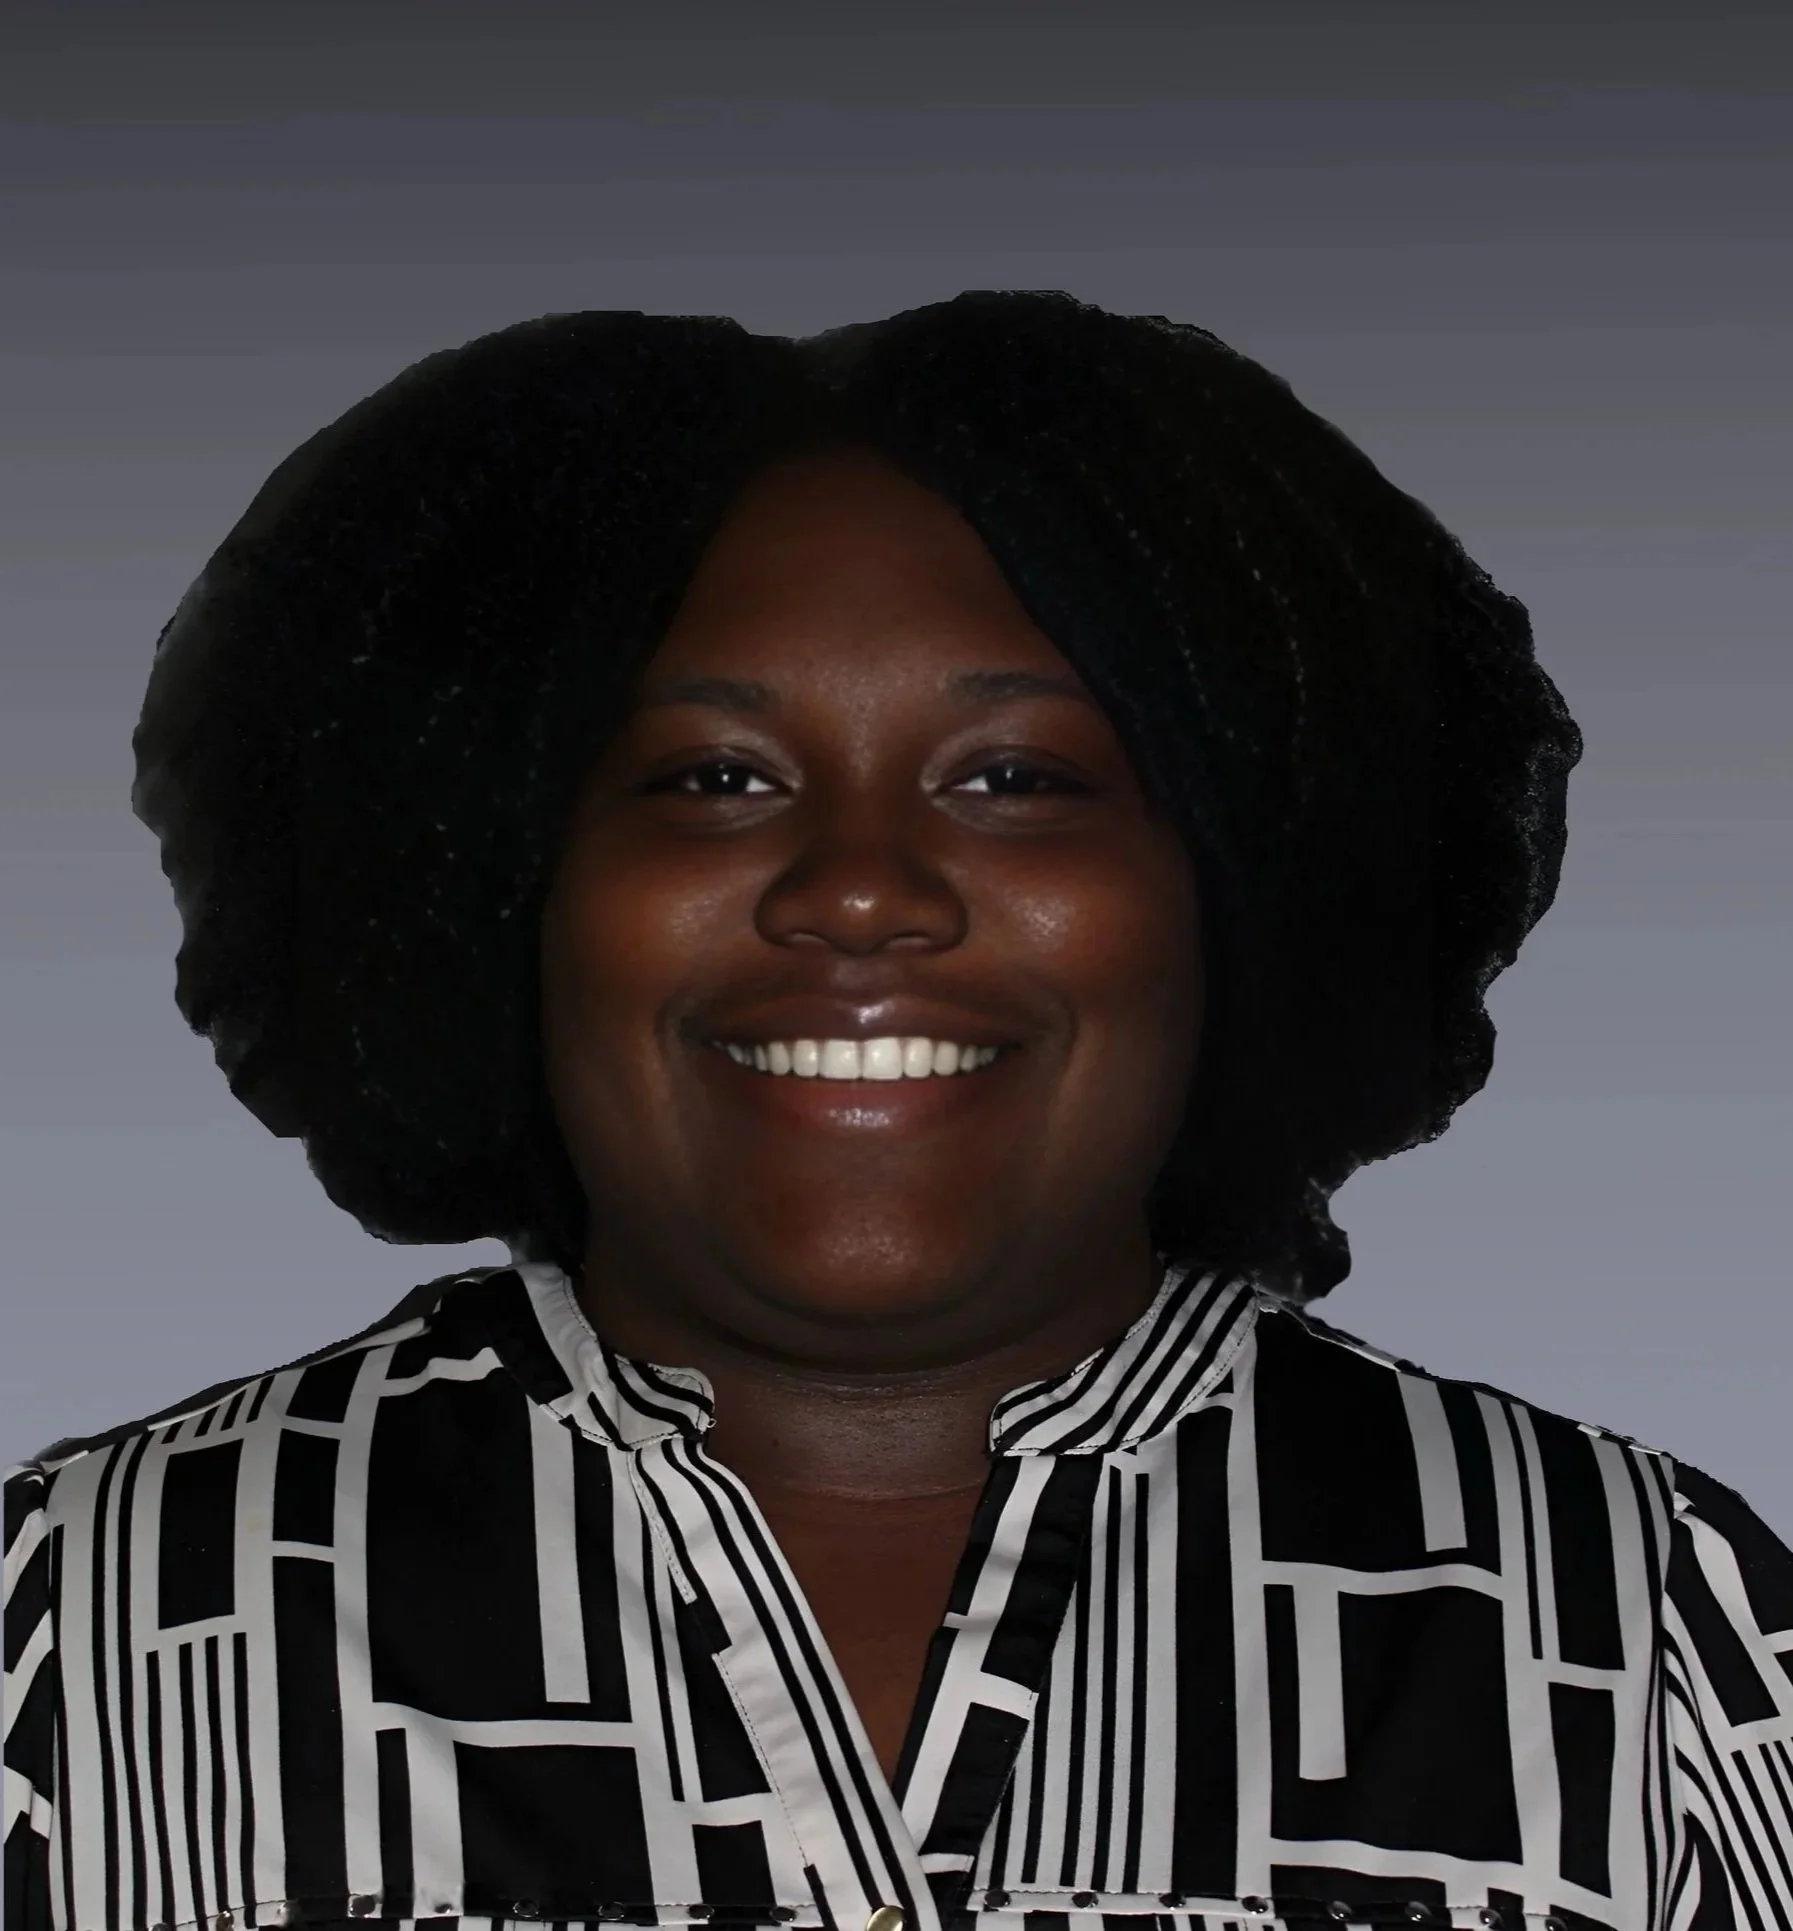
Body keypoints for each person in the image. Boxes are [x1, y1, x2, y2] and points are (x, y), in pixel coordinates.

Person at [6, 291, 1790, 1931]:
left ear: (1238, 878)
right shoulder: (67, 1632)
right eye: (715, 778)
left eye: (1015, 778)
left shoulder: (1652, 1633)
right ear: (499, 879)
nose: (859, 891)